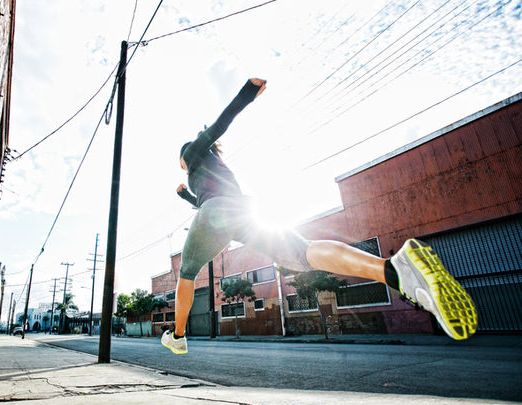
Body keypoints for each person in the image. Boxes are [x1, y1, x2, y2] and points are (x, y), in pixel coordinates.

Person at [161, 78, 478, 355]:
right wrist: (186, 196)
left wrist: (246, 93)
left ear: (184, 155)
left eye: (181, 164)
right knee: (303, 253)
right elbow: (209, 198)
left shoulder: (191, 151)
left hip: (215, 213)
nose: (183, 168)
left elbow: (217, 129)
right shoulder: (215, 167)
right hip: (241, 210)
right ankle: (393, 271)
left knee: (187, 272)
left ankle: (177, 336)